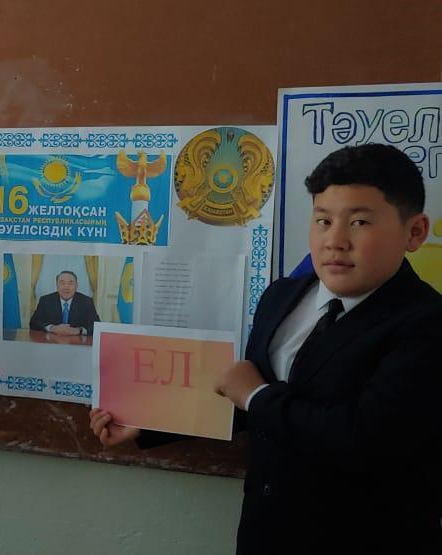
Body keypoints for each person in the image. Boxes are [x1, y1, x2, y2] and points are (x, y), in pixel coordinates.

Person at [89, 144, 442, 554]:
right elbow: (243, 399)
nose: (335, 241)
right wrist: (149, 421)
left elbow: (363, 438)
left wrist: (256, 395)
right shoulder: (282, 296)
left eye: (360, 222)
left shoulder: (427, 323)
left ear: (415, 232)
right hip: (266, 534)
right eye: (323, 220)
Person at [28, 270, 100, 336]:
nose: (66, 287)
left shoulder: (86, 302)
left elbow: (96, 326)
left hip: (77, 343)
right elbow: (34, 323)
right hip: (52, 342)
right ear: (57, 285)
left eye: (70, 283)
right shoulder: (45, 300)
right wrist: (52, 328)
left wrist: (79, 330)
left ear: (76, 286)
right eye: (62, 283)